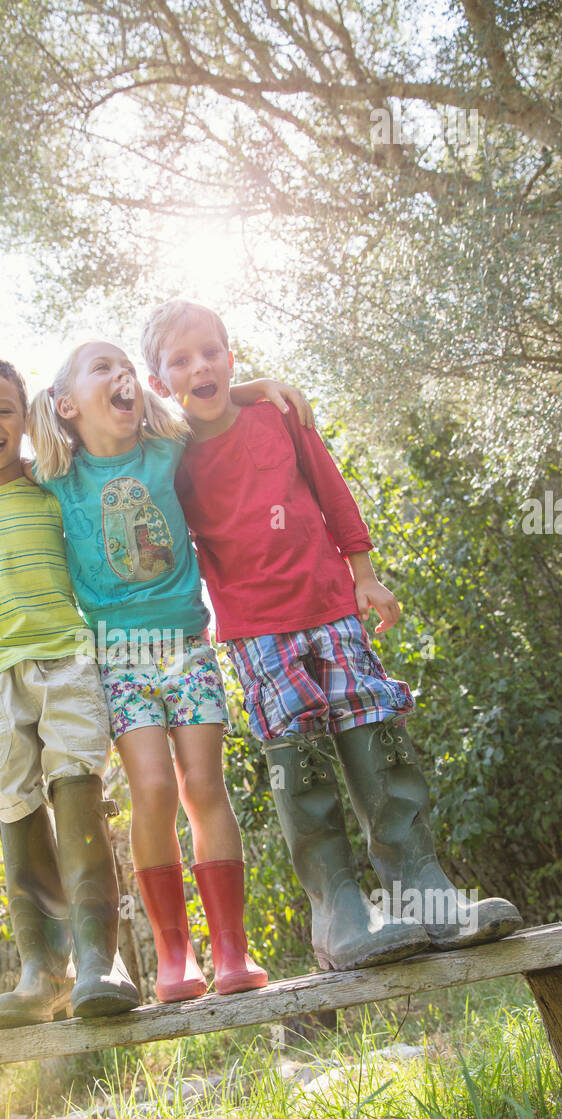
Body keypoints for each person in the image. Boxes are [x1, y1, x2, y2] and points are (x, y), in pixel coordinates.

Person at [0, 341, 311, 1002]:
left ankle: (230, 953)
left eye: (124, 366)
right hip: (114, 656)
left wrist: (254, 386)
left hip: (183, 644)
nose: (120, 375)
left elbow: (202, 404)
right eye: (102, 368)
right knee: (152, 788)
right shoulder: (54, 479)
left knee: (203, 787)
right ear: (65, 405)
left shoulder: (153, 453)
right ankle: (170, 959)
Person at [142, 298, 521, 972]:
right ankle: (337, 910)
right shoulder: (167, 457)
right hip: (258, 634)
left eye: (212, 352)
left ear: (231, 357)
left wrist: (365, 573)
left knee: (378, 735)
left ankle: (421, 894)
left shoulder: (280, 417)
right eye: (180, 360)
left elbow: (332, 490)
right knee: (302, 763)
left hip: (333, 608)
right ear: (159, 380)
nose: (200, 366)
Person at [0, 351, 139, 1026]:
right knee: (13, 808)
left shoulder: (52, 486)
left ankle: (98, 960)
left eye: (3, 411)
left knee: (78, 793)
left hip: (63, 661)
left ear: (27, 419)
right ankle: (41, 969)